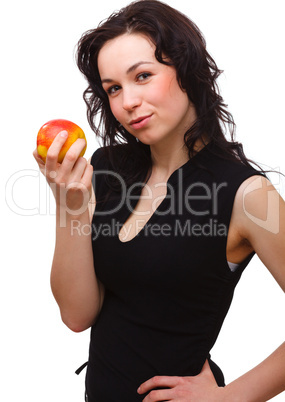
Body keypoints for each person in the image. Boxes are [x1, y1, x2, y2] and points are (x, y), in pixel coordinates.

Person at [33, 0, 285, 400]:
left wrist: (231, 397)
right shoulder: (106, 168)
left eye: (143, 76)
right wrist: (70, 207)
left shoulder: (246, 194)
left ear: (187, 71)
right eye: (113, 88)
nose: (127, 102)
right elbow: (77, 315)